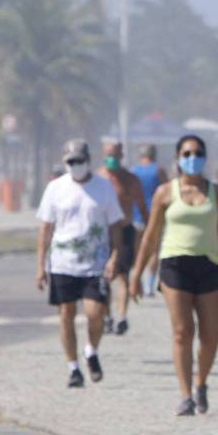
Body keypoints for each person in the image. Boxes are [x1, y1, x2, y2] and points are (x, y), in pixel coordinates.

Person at [129, 134, 218, 416]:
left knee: (210, 334)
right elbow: (150, 236)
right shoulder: (166, 192)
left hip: (209, 265)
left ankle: (202, 382)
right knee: (182, 331)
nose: (193, 158)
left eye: (198, 153)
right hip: (175, 264)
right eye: (187, 153)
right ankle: (186, 394)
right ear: (177, 158)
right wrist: (137, 275)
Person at [35, 140, 124, 387]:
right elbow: (45, 228)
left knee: (96, 314)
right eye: (71, 162)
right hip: (63, 264)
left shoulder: (103, 188)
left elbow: (116, 225)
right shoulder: (55, 188)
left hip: (95, 264)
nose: (76, 166)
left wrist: (115, 257)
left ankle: (91, 351)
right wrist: (40, 266)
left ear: (88, 161)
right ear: (65, 163)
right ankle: (73, 367)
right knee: (66, 315)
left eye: (80, 161)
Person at [97, 141, 148, 336]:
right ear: (103, 155)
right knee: (104, 278)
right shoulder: (98, 178)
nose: (112, 158)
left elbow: (142, 207)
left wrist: (150, 230)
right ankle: (107, 316)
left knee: (124, 276)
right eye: (108, 154)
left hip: (125, 230)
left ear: (121, 155)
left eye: (115, 154)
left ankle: (122, 317)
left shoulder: (130, 180)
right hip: (104, 232)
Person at [132, 144, 168, 297]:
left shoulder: (134, 170)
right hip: (155, 214)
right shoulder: (158, 170)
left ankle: (135, 277)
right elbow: (167, 190)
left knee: (139, 248)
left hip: (136, 214)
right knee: (154, 249)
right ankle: (149, 285)